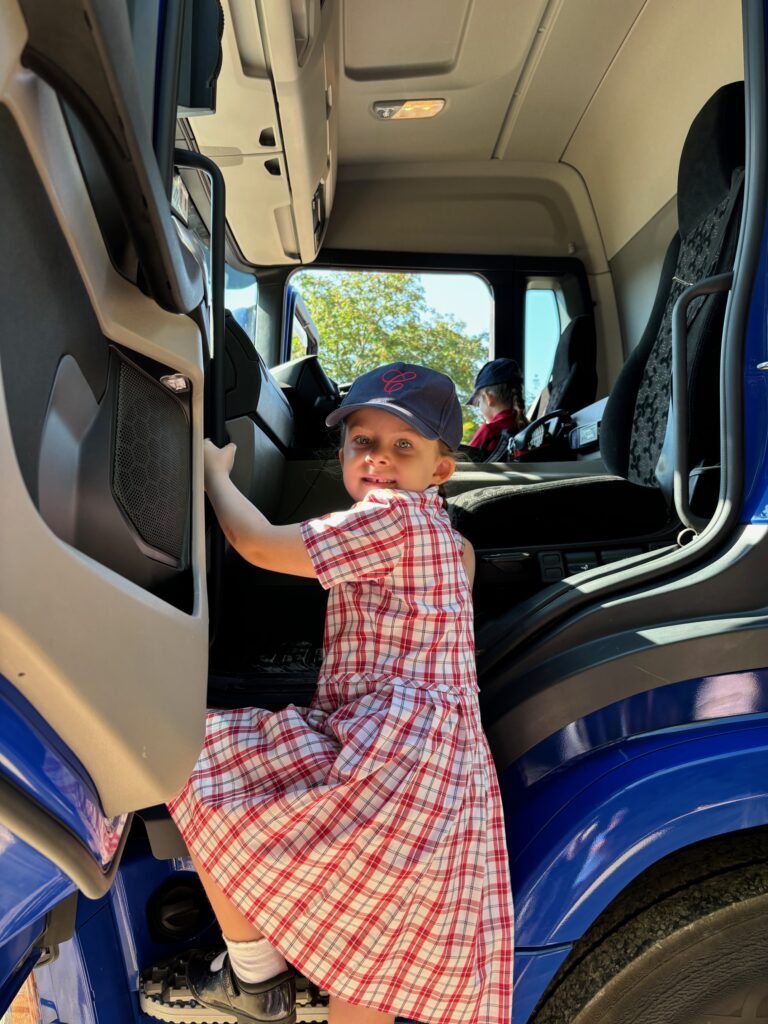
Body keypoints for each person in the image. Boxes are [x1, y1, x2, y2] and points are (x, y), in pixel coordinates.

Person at [139, 362, 514, 1024]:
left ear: (441, 469)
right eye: (362, 442)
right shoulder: (452, 542)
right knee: (371, 957)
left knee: (193, 758)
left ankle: (255, 978)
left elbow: (254, 545)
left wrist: (213, 475)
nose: (378, 459)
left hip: (392, 755)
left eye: (404, 447)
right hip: (443, 769)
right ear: (340, 453)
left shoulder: (390, 518)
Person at [467, 358, 528, 454]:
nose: (479, 407)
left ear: (488, 398)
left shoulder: (489, 432)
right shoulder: (527, 429)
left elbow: (465, 465)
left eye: (478, 402)